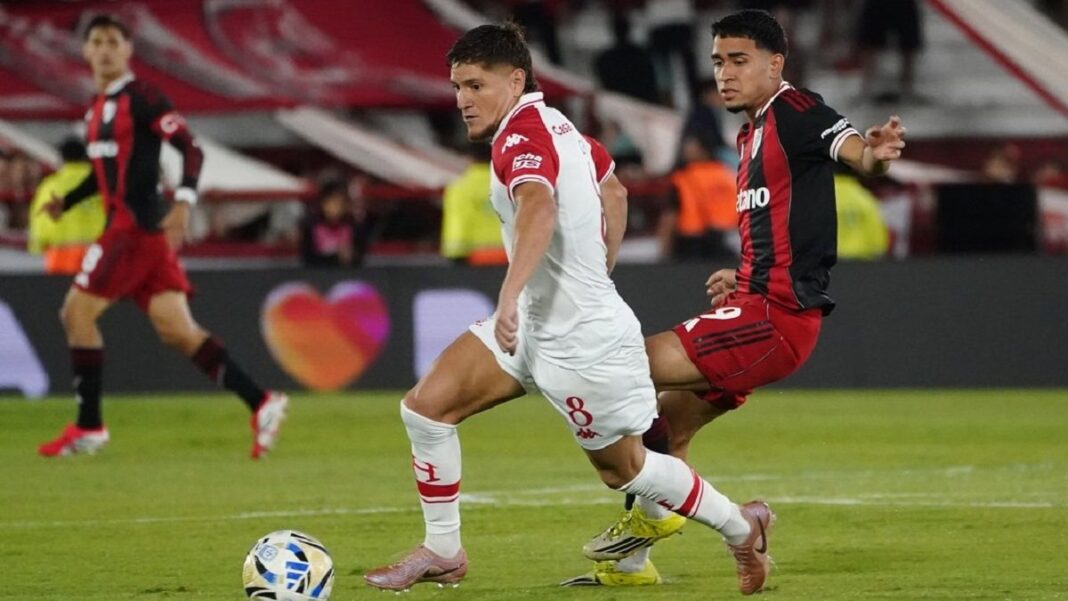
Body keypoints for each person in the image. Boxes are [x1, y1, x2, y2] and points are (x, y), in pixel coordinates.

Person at [363, 22, 772, 594]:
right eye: (457, 87)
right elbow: (615, 191)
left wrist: (511, 294)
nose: (462, 100)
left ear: (515, 80)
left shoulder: (519, 138)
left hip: (580, 339)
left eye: (476, 85)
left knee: (626, 470)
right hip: (536, 324)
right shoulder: (561, 128)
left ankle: (741, 526)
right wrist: (595, 269)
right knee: (426, 409)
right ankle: (444, 550)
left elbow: (539, 205)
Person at [563, 9, 906, 590]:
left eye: (739, 60)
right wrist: (744, 275)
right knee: (667, 431)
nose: (724, 73)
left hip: (774, 320)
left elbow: (854, 152)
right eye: (718, 61)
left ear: (776, 64)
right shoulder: (750, 133)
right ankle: (633, 565)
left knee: (623, 365)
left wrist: (873, 154)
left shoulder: (796, 110)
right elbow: (783, 224)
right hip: (755, 306)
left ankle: (716, 526)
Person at [36, 14, 287, 459]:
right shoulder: (96, 108)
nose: (105, 49)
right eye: (97, 42)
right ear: (86, 51)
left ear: (128, 50)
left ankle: (89, 426)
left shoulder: (143, 97)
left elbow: (190, 148)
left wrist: (184, 202)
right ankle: (261, 402)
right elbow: (102, 173)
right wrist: (67, 202)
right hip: (142, 235)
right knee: (179, 331)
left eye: (113, 41)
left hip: (132, 229)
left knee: (76, 312)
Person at [27, 138, 106, 275]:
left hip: (61, 255)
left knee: (61, 289)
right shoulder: (103, 183)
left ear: (62, 158)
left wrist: (36, 247)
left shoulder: (50, 185)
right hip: (99, 252)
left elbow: (41, 220)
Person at [656, 135, 738, 261]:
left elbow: (670, 216)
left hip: (690, 244)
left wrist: (663, 252)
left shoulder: (682, 178)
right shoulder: (728, 175)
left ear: (703, 149)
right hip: (725, 241)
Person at [439, 144, 505, 265]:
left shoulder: (460, 186)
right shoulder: (509, 184)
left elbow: (459, 220)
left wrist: (455, 254)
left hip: (477, 257)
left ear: (469, 158)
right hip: (511, 255)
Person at [593, 12, 659, 105]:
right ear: (629, 29)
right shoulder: (641, 55)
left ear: (613, 30)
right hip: (641, 102)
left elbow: (605, 85)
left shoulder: (604, 59)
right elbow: (651, 84)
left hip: (619, 103)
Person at [300, 180, 364, 267]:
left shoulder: (354, 227)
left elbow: (360, 258)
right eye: (330, 202)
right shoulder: (311, 226)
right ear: (322, 204)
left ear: (345, 205)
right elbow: (307, 259)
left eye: (338, 203)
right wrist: (334, 257)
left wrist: (351, 256)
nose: (334, 207)